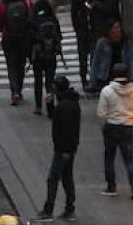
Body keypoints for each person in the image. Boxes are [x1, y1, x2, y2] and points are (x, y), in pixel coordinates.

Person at [37, 75, 81, 220]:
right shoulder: (68, 103)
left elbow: (66, 130)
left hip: (63, 149)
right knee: (67, 178)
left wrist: (66, 150)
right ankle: (69, 209)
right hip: (67, 148)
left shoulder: (65, 106)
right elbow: (55, 117)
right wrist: (50, 105)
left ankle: (49, 210)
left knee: (53, 179)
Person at [97, 63, 133, 198]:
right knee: (129, 157)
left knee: (109, 157)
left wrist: (103, 125)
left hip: (111, 126)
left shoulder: (107, 91)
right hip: (127, 126)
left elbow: (101, 113)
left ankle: (111, 186)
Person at [0, 0, 33, 105]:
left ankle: (14, 91)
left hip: (9, 39)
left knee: (11, 66)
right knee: (21, 65)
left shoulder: (4, 5)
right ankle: (19, 89)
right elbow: (33, 18)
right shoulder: (27, 3)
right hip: (24, 39)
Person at [31, 0, 63, 116]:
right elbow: (59, 36)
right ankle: (50, 106)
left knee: (38, 81)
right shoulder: (53, 19)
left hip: (38, 56)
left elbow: (30, 38)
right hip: (51, 56)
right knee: (49, 82)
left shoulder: (34, 20)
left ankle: (38, 106)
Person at [90, 19, 133, 93]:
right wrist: (93, 81)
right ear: (109, 31)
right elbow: (96, 62)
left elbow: (131, 60)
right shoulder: (102, 43)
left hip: (122, 75)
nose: (118, 30)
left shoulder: (126, 44)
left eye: (119, 27)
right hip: (106, 76)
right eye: (115, 28)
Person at [70, 0, 98, 89]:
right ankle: (83, 79)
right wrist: (77, 28)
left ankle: (93, 79)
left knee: (94, 55)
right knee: (82, 57)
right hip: (82, 29)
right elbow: (73, 12)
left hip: (93, 28)